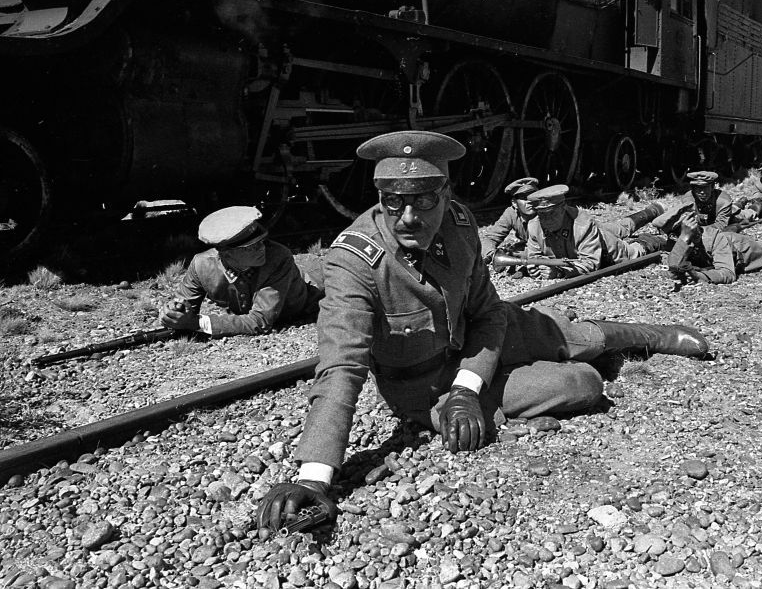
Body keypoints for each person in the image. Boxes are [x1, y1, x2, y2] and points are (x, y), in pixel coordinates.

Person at [256, 131, 709, 530]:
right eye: (393, 201)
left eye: (423, 200)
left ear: (446, 193)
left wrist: (468, 388)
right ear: (380, 197)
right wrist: (314, 476)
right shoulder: (352, 261)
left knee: (573, 336)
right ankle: (566, 363)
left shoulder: (459, 224)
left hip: (480, 331)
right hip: (424, 382)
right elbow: (341, 366)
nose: (408, 216)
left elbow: (488, 312)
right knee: (583, 383)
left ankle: (650, 336)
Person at [159, 206, 324, 337]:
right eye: (252, 247)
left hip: (310, 296)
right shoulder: (201, 265)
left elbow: (259, 322)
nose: (262, 248)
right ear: (226, 253)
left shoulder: (278, 258)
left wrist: (197, 323)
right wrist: (174, 312)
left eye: (262, 241)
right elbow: (182, 305)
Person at [523, 185, 669, 279]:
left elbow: (590, 263)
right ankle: (653, 211)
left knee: (635, 252)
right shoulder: (534, 226)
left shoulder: (582, 225)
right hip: (596, 231)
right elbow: (534, 256)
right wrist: (536, 267)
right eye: (542, 215)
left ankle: (657, 239)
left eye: (551, 213)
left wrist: (559, 272)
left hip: (606, 251)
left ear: (563, 209)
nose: (547, 219)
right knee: (620, 227)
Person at [666, 211, 762, 284]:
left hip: (750, 251)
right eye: (688, 229)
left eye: (695, 226)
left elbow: (728, 274)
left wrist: (699, 276)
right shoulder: (680, 242)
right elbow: (673, 271)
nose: (695, 232)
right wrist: (684, 239)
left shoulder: (714, 238)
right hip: (732, 249)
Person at [479, 176, 539, 267]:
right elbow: (491, 237)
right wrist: (492, 254)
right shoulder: (511, 213)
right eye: (524, 198)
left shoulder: (545, 212)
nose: (529, 202)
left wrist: (520, 254)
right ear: (514, 203)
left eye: (532, 197)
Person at [652, 170, 736, 234]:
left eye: (705, 188)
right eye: (698, 188)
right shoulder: (688, 199)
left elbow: (721, 225)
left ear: (713, 187)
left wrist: (699, 230)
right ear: (693, 189)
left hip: (729, 218)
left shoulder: (723, 201)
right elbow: (685, 220)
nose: (702, 192)